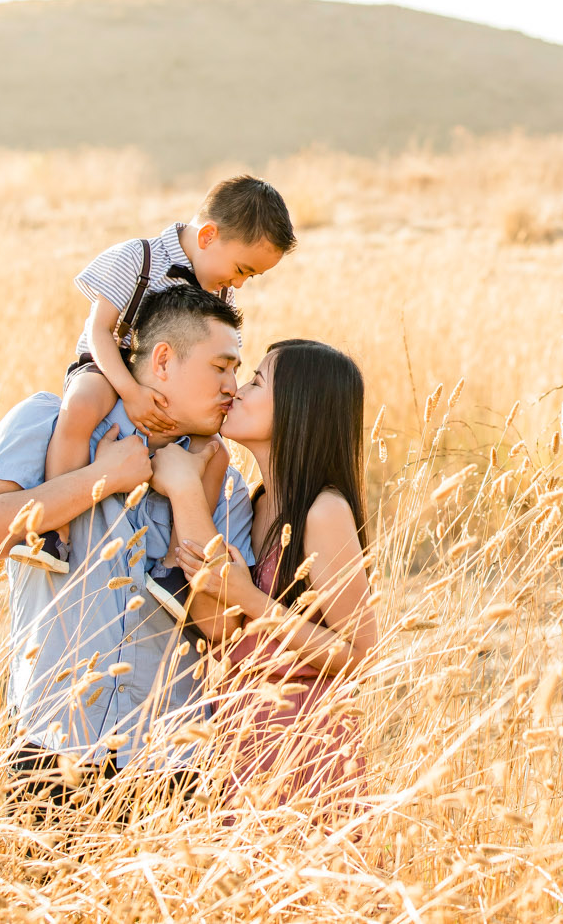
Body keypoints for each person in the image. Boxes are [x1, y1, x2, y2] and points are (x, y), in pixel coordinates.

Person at [0, 284, 256, 822]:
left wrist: (188, 493)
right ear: (163, 361)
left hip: (170, 763)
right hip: (52, 750)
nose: (234, 386)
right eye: (221, 367)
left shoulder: (225, 482)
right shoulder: (46, 424)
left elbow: (220, 626)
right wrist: (101, 478)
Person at [11, 176, 294, 580]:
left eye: (251, 277)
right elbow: (98, 330)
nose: (240, 283)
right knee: (80, 405)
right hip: (108, 367)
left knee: (215, 452)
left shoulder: (220, 294)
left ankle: (177, 564)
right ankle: (53, 531)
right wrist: (129, 391)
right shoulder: (137, 258)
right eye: (241, 269)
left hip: (163, 385)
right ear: (209, 235)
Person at [171, 339, 378, 806]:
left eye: (257, 381)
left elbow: (361, 655)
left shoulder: (323, 512)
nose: (237, 391)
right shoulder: (255, 503)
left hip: (306, 745)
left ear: (299, 408)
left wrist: (247, 597)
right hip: (241, 737)